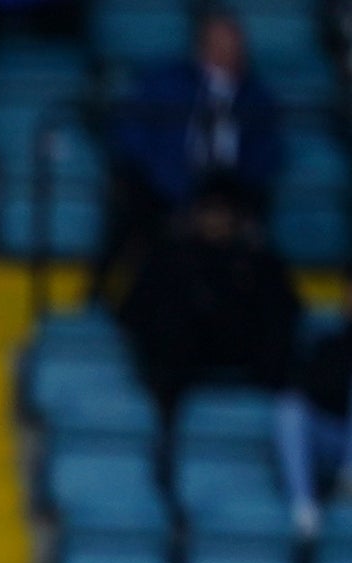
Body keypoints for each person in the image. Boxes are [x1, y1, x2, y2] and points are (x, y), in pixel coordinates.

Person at [92, 10, 282, 306]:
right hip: (165, 187)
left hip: (230, 192)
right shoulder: (163, 84)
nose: (227, 50)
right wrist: (175, 187)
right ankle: (98, 301)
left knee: (253, 220)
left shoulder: (258, 97)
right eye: (219, 42)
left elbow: (266, 152)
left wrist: (227, 194)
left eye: (233, 43)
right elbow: (130, 136)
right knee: (131, 206)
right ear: (201, 45)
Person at [116, 170, 298, 410]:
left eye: (224, 211)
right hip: (182, 364)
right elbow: (134, 313)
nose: (216, 219)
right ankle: (166, 427)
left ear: (239, 216)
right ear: (196, 213)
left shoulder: (262, 264)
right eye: (210, 210)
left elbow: (285, 316)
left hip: (245, 355)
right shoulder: (168, 259)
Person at [276, 315, 350, 536]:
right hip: (332, 436)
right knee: (289, 410)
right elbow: (304, 386)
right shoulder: (330, 344)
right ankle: (305, 509)